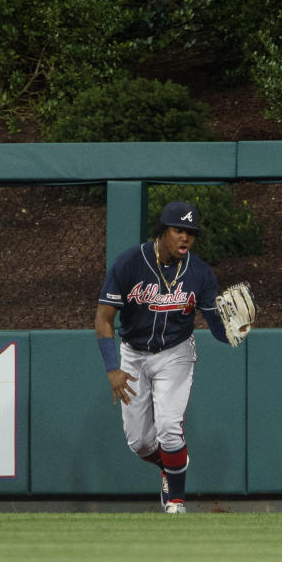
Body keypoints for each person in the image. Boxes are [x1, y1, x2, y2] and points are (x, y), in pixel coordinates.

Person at [94, 201, 234, 514]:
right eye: (178, 230)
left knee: (170, 427)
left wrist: (235, 331)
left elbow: (216, 329)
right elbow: (103, 318)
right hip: (133, 355)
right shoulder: (130, 263)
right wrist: (112, 369)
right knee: (140, 443)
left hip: (176, 353)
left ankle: (176, 501)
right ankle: (170, 467)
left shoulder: (200, 273)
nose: (185, 237)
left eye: (191, 232)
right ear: (163, 231)